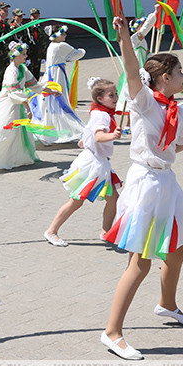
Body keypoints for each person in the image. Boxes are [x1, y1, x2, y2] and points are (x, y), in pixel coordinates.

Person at [99, 16, 183, 360]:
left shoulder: (177, 108)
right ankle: (112, 332)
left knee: (177, 249)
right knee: (141, 262)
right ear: (165, 76)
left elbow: (178, 148)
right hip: (145, 182)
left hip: (166, 181)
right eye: (180, 73)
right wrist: (124, 38)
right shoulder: (146, 100)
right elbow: (134, 73)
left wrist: (176, 129)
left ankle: (167, 305)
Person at [43, 77, 123, 247]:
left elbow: (89, 133)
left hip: (98, 162)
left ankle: (105, 232)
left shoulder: (99, 111)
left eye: (116, 94)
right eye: (111, 95)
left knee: (113, 197)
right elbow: (98, 136)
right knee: (76, 201)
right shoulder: (102, 115)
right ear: (100, 99)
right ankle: (51, 231)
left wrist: (85, 141)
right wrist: (112, 135)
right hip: (92, 164)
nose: (115, 97)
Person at [0, 42, 58, 170]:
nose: (26, 56)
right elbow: (14, 91)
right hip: (7, 103)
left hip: (17, 103)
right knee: (1, 130)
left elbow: (35, 85)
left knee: (16, 132)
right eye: (23, 54)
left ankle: (14, 157)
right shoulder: (11, 70)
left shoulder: (23, 69)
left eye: (25, 54)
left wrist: (52, 91)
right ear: (15, 56)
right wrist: (27, 107)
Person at [29, 25, 86, 144]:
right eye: (63, 33)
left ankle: (51, 129)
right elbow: (77, 54)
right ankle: (65, 129)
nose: (65, 35)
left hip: (50, 74)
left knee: (49, 102)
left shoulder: (51, 46)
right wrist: (82, 50)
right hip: (57, 75)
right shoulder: (61, 46)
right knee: (60, 100)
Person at [25, 8, 49, 79]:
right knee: (28, 75)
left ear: (39, 16)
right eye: (33, 15)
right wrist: (27, 57)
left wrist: (43, 56)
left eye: (36, 15)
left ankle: (36, 89)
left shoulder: (41, 27)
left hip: (38, 55)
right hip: (30, 55)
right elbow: (25, 42)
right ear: (30, 16)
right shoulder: (27, 28)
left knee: (36, 74)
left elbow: (44, 42)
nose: (35, 17)